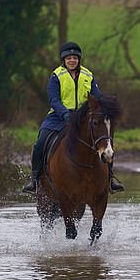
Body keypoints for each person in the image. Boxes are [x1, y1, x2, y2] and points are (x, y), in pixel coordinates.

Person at [22, 41, 124, 194]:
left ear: (79, 60)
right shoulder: (56, 75)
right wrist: (65, 114)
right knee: (40, 142)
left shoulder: (88, 75)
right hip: (58, 116)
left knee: (105, 140)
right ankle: (35, 180)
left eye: (75, 58)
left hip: (84, 117)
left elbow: (97, 97)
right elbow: (54, 100)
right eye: (69, 58)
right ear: (63, 60)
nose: (72, 61)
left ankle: (110, 179)